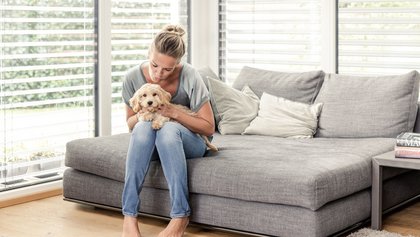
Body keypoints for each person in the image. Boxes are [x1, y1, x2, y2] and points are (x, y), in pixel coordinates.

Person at [121, 24, 215, 237]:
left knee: (168, 131)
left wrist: (174, 112)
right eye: (154, 65)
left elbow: (209, 128)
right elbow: (130, 124)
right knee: (143, 127)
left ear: (178, 64)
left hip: (189, 142)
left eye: (168, 69)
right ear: (148, 54)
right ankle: (129, 216)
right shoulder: (132, 78)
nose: (158, 74)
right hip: (148, 142)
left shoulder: (190, 75)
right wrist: (145, 113)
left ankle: (180, 216)